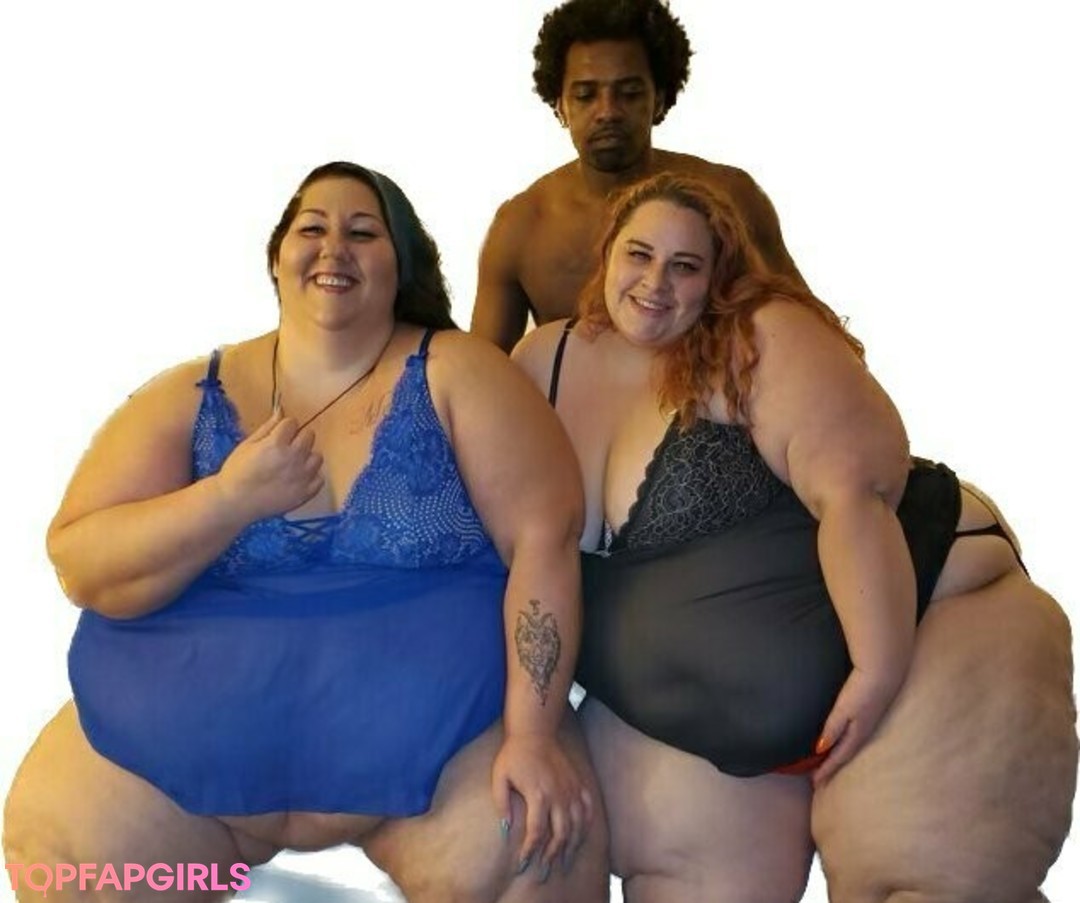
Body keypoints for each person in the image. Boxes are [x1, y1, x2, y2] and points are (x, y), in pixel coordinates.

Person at [2, 162, 609, 902]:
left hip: (444, 762)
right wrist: (226, 500)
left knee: (540, 849)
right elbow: (81, 562)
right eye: (312, 228)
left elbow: (544, 542)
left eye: (364, 232)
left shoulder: (459, 371)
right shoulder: (191, 391)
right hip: (179, 771)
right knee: (63, 860)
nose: (334, 247)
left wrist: (534, 736)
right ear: (276, 255)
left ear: (403, 262)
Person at [511, 172, 1077, 902]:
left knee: (926, 876)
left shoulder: (759, 337)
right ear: (607, 253)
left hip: (928, 626)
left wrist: (876, 669)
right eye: (640, 255)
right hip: (696, 734)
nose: (656, 283)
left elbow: (854, 494)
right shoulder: (544, 363)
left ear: (717, 275)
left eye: (685, 266)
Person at [471, 0, 803, 352]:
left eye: (629, 93)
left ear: (659, 99)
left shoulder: (731, 197)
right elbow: (479, 370)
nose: (607, 111)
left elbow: (806, 332)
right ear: (559, 106)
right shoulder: (520, 228)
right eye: (585, 95)